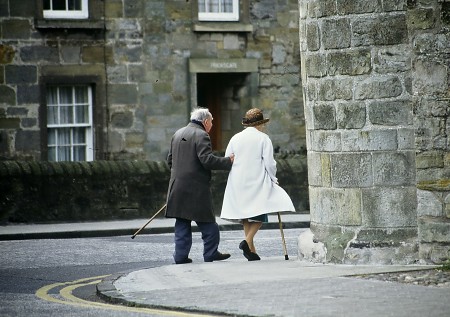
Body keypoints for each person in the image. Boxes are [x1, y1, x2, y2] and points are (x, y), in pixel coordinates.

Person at [220, 108, 295, 261]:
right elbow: (269, 163)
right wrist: (273, 178)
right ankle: (247, 242)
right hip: (257, 178)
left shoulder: (235, 138)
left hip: (238, 179)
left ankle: (252, 251)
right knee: (262, 212)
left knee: (246, 214)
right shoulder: (263, 138)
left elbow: (227, 157)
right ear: (259, 124)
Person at [165, 107, 234, 264]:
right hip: (196, 188)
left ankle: (180, 257)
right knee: (208, 223)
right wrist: (227, 161)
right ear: (205, 121)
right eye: (211, 122)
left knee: (182, 222)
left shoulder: (178, 133)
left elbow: (170, 160)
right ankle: (211, 253)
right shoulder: (201, 134)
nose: (211, 126)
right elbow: (207, 160)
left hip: (177, 186)